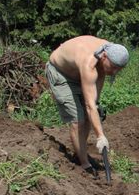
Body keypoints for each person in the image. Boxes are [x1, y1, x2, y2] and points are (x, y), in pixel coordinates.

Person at [45, 35, 129, 176]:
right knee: (78, 119)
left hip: (78, 74)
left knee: (89, 115)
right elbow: (90, 106)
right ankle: (84, 163)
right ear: (104, 57)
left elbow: (93, 103)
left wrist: (95, 109)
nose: (114, 72)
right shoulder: (89, 62)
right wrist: (100, 136)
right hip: (61, 73)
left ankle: (79, 151)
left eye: (119, 69)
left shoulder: (109, 51)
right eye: (113, 67)